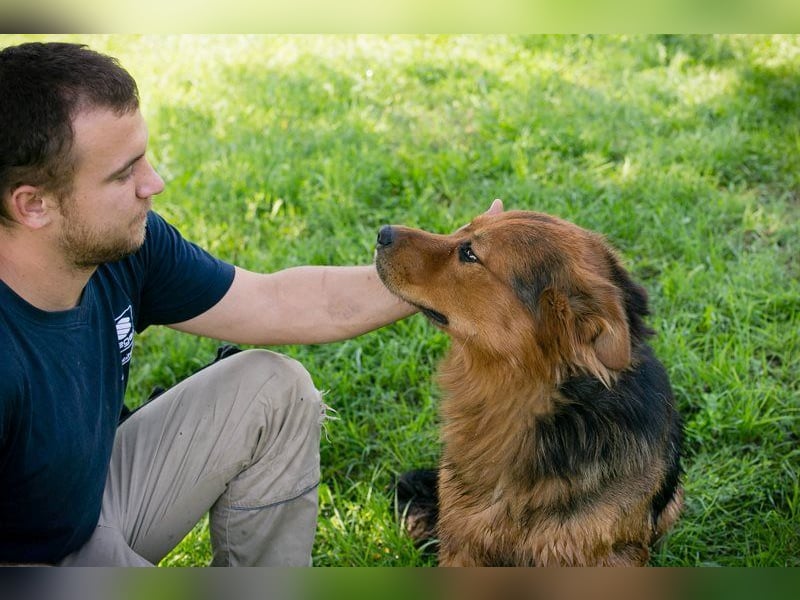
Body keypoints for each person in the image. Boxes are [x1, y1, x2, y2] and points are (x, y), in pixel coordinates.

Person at [0, 41, 502, 567]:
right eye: (123, 174)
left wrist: (443, 273)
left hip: (86, 501)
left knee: (274, 390)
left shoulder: (123, 248)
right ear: (34, 205)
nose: (154, 183)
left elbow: (275, 301)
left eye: (143, 157)